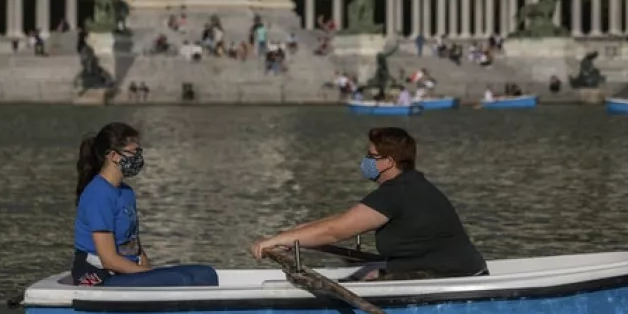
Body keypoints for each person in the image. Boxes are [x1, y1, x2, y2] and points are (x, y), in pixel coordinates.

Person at [251, 127, 488, 280]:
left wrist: (277, 240)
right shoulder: (406, 185)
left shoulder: (398, 192)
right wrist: (294, 234)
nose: (365, 162)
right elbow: (344, 219)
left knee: (369, 277)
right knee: (364, 275)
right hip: (443, 269)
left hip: (455, 276)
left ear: (387, 162)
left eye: (370, 156)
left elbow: (336, 232)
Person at [72, 122, 219, 287]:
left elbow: (136, 246)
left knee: (205, 274)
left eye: (139, 152)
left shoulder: (127, 192)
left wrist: (148, 269)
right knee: (180, 280)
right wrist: (149, 275)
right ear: (113, 156)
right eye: (133, 153)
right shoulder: (98, 194)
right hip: (99, 275)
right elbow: (109, 260)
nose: (137, 158)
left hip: (125, 271)